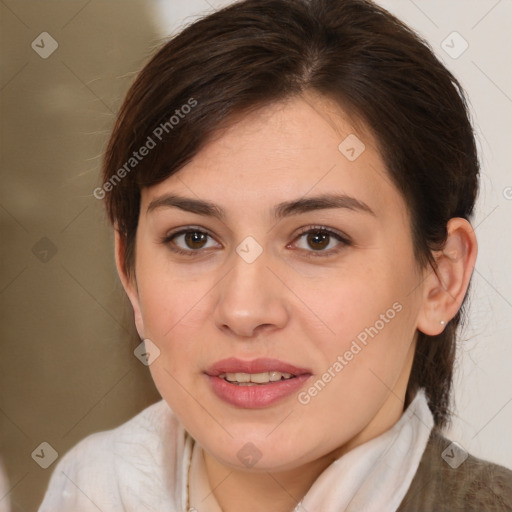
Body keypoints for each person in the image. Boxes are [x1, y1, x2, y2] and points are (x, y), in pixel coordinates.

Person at [39, 0, 512, 510]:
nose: (244, 311)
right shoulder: (86, 489)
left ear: (441, 279)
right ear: (129, 271)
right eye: (193, 238)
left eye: (318, 239)